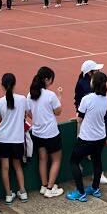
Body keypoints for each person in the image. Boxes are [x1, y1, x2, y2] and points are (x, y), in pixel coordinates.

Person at [74, 60, 107, 185]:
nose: (99, 71)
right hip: (88, 120)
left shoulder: (99, 82)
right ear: (90, 73)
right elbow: (79, 103)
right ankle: (98, 175)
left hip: (103, 118)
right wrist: (80, 116)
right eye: (96, 69)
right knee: (89, 148)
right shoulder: (82, 85)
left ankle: (91, 150)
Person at [67, 72, 107, 202]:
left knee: (74, 161)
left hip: (87, 139)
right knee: (97, 162)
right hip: (100, 137)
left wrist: (77, 118)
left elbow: (80, 119)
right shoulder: (106, 98)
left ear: (93, 83)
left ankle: (81, 192)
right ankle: (95, 189)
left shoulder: (87, 99)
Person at [26, 67, 64, 198]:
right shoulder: (51, 95)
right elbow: (58, 112)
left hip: (37, 133)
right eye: (51, 80)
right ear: (46, 79)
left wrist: (38, 119)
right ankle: (50, 189)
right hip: (51, 133)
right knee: (56, 160)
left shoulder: (30, 95)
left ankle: (44, 186)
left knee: (42, 159)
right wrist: (59, 97)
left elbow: (28, 113)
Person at [0, 73, 28, 204]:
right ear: (15, 84)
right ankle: (23, 192)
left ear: (2, 86)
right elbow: (25, 114)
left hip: (2, 139)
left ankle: (8, 195)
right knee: (18, 166)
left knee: (5, 167)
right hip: (17, 140)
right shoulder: (23, 99)